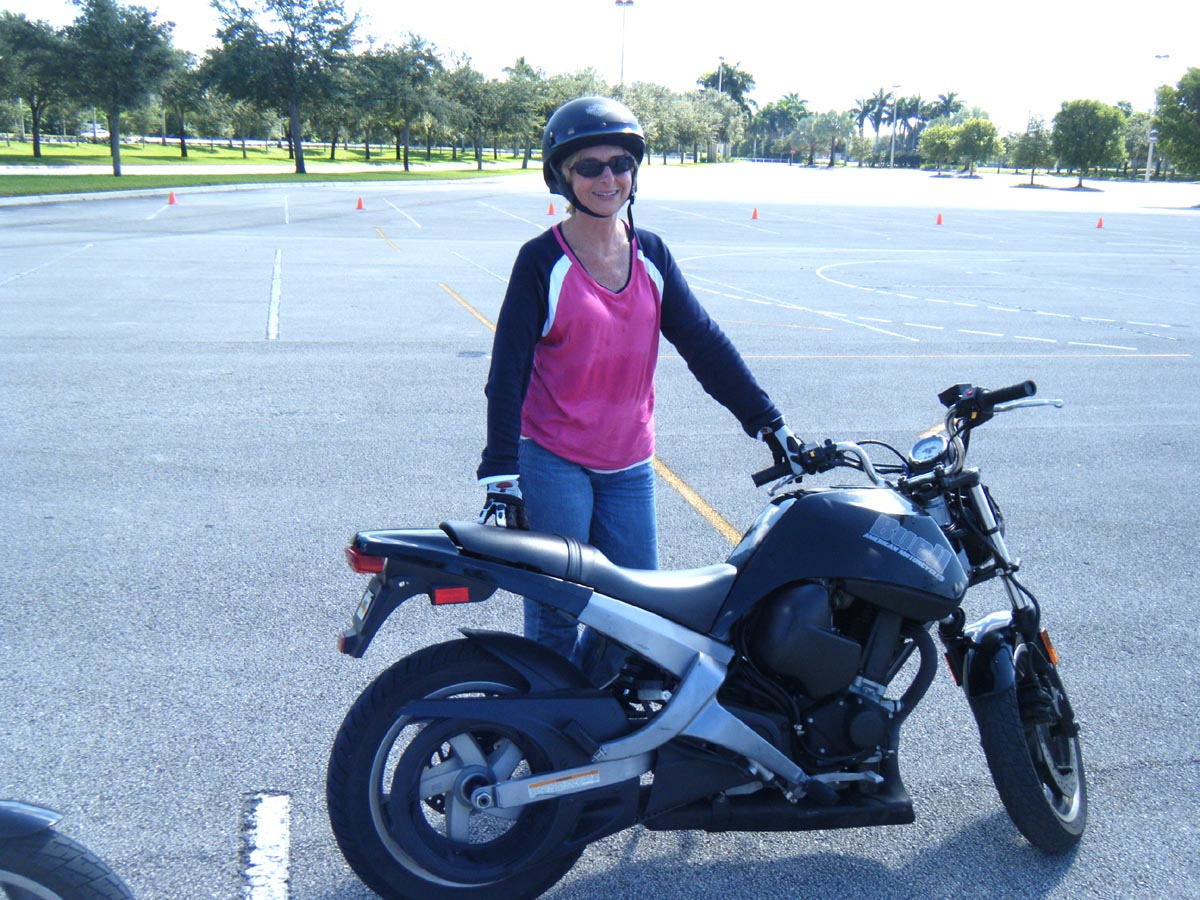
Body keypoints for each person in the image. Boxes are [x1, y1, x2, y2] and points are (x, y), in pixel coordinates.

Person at [475, 95, 805, 678]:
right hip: (553, 460)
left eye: (620, 164)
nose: (608, 178)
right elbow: (508, 374)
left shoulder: (651, 255)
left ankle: (587, 710)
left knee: (637, 616)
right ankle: (549, 721)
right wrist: (501, 473)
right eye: (589, 166)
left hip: (629, 464)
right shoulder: (541, 262)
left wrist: (766, 420)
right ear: (562, 176)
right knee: (558, 609)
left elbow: (703, 344)